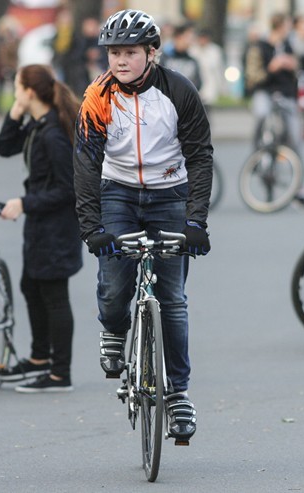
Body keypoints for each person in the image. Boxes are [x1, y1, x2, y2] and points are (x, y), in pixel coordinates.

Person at [74, 9, 212, 441]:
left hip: (169, 194)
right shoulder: (97, 97)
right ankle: (114, 329)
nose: (119, 61)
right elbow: (84, 163)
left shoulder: (179, 91)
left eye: (129, 52)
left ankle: (179, 395)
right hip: (117, 193)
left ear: (151, 53)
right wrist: (92, 227)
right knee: (114, 283)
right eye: (114, 52)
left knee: (171, 297)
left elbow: (200, 156)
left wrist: (196, 222)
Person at [0, 65, 83, 393]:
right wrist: (15, 112)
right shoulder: (38, 125)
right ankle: (38, 358)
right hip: (41, 224)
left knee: (54, 295)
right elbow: (5, 146)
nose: (15, 93)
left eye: (17, 89)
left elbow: (68, 189)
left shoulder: (53, 134)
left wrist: (24, 202)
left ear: (30, 91)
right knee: (31, 286)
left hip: (56, 227)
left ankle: (60, 373)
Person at [243, 13, 304, 204]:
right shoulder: (259, 47)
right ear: (279, 26)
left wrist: (292, 64)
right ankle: (256, 155)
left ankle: (298, 186)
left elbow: (298, 70)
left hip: (286, 95)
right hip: (265, 92)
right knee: (262, 116)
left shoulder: (288, 46)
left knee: (295, 136)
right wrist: (272, 67)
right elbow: (253, 76)